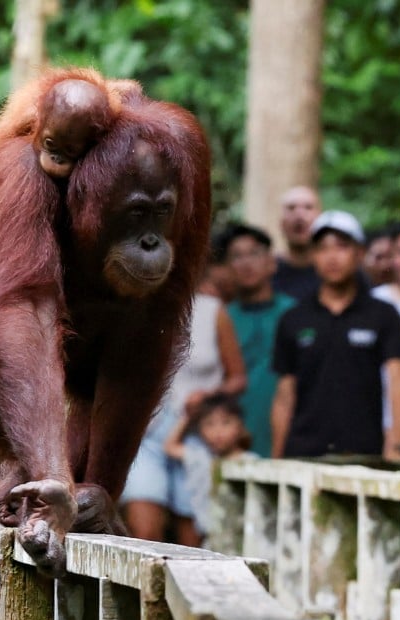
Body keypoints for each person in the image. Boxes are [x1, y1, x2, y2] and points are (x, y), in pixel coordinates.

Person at [271, 210, 400, 460]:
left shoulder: (383, 314)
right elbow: (285, 395)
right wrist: (277, 458)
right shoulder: (294, 318)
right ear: (313, 256)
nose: (332, 257)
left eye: (341, 247)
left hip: (364, 451)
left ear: (359, 254)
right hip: (303, 451)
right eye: (322, 248)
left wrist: (397, 445)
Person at [121, 288, 248, 546]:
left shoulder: (213, 310)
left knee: (193, 537)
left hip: (199, 438)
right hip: (145, 435)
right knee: (144, 532)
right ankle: (150, 587)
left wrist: (209, 396)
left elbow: (238, 378)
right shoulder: (128, 305)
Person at [224, 222, 296, 458]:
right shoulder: (222, 318)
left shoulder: (295, 313)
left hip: (290, 433)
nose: (246, 263)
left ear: (272, 263)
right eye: (236, 256)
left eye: (254, 254)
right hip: (232, 438)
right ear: (227, 267)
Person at [165, 393, 257, 541]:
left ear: (240, 426)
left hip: (245, 538)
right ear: (200, 429)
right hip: (212, 539)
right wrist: (188, 417)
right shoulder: (202, 459)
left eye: (226, 423)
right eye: (209, 424)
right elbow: (170, 447)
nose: (217, 432)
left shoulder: (251, 462)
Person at [271, 185, 321, 300]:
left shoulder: (334, 271)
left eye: (308, 207)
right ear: (281, 223)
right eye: (291, 208)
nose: (299, 215)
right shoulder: (267, 273)